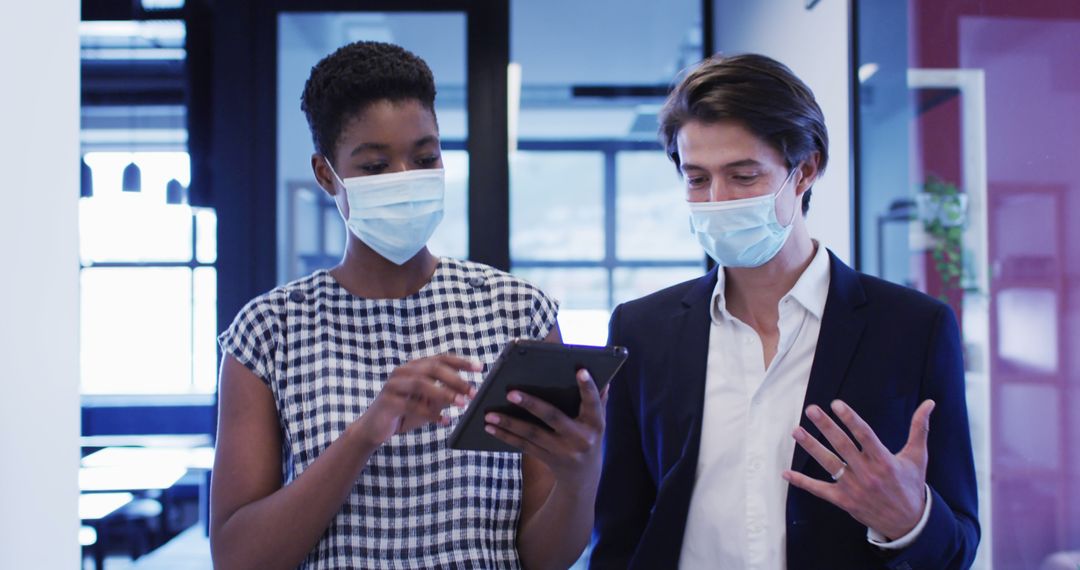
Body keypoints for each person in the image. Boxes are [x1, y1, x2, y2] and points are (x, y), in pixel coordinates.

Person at [210, 41, 605, 570]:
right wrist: (365, 434)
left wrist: (580, 480)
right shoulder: (269, 332)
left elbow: (539, 559)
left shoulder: (516, 311)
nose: (404, 179)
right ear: (327, 175)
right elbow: (237, 560)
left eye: (424, 158)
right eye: (374, 166)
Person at [590, 53, 980, 570]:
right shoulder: (643, 328)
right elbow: (620, 530)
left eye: (744, 176)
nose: (717, 200)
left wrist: (910, 520)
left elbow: (959, 547)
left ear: (805, 170)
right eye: (697, 178)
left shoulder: (912, 327)